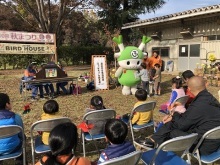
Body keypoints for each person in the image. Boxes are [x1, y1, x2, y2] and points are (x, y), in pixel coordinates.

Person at [142, 76, 220, 156]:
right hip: (214, 142)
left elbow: (182, 125)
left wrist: (174, 114)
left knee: (169, 129)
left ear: (189, 89)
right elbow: (190, 117)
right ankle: (153, 141)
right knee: (171, 124)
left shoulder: (198, 104)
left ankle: (154, 146)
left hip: (202, 147)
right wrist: (173, 116)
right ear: (204, 85)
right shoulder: (210, 98)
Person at [0, 93, 24, 165]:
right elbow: (21, 133)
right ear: (7, 104)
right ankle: (20, 161)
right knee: (23, 138)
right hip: (14, 147)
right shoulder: (15, 117)